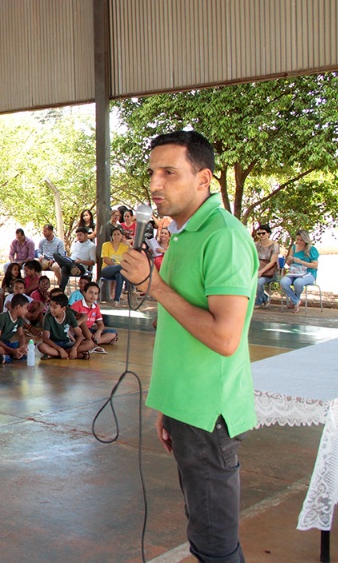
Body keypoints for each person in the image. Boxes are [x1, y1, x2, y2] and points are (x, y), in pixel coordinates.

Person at [120, 130, 257, 563]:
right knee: (203, 533)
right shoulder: (182, 233)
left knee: (216, 545)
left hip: (208, 413)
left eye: (169, 173)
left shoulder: (223, 237)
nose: (155, 184)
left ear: (204, 180)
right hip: (187, 407)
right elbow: (181, 330)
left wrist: (152, 285)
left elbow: (224, 337)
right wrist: (170, 404)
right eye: (152, 173)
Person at [38, 293, 89, 360]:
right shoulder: (48, 317)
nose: (51, 309)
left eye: (54, 307)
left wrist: (74, 348)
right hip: (53, 345)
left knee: (89, 343)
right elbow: (45, 338)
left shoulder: (70, 315)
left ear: (63, 308)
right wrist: (60, 349)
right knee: (41, 347)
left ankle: (53, 355)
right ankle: (71, 354)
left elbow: (79, 335)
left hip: (67, 343)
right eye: (50, 306)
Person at [280, 229, 319, 314]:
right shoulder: (294, 248)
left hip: (308, 273)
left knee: (298, 283)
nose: (299, 242)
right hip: (295, 272)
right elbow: (288, 264)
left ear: (306, 240)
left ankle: (295, 302)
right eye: (297, 239)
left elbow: (315, 265)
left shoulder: (312, 249)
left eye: (301, 240)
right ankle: (296, 301)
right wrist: (289, 260)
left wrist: (301, 262)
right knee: (283, 282)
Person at [71, 282, 118, 351]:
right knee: (83, 324)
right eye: (91, 293)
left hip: (90, 332)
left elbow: (101, 324)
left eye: (96, 293)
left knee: (113, 333)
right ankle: (93, 343)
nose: (93, 296)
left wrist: (98, 332)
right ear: (84, 293)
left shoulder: (96, 307)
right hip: (78, 331)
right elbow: (73, 325)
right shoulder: (76, 305)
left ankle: (93, 342)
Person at [0, 297, 30, 363]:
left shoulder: (20, 319)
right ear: (18, 307)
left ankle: (9, 355)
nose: (27, 311)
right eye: (25, 308)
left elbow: (21, 335)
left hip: (6, 344)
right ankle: (12, 354)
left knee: (31, 341)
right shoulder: (2, 317)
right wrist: (12, 351)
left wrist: (22, 347)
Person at [100, 227, 130, 306]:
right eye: (114, 234)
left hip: (119, 270)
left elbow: (134, 255)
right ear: (112, 236)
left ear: (122, 236)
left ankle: (116, 300)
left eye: (118, 234)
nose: (116, 236)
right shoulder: (106, 245)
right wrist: (117, 266)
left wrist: (128, 244)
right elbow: (106, 260)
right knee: (122, 268)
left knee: (119, 275)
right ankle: (132, 287)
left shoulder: (124, 247)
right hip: (107, 269)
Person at [253, 224, 280, 308]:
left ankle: (259, 302)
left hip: (270, 272)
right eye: (259, 234)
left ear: (268, 233)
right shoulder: (256, 245)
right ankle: (265, 298)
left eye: (263, 233)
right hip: (258, 269)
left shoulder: (274, 245)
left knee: (259, 282)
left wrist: (261, 271)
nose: (261, 235)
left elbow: (272, 262)